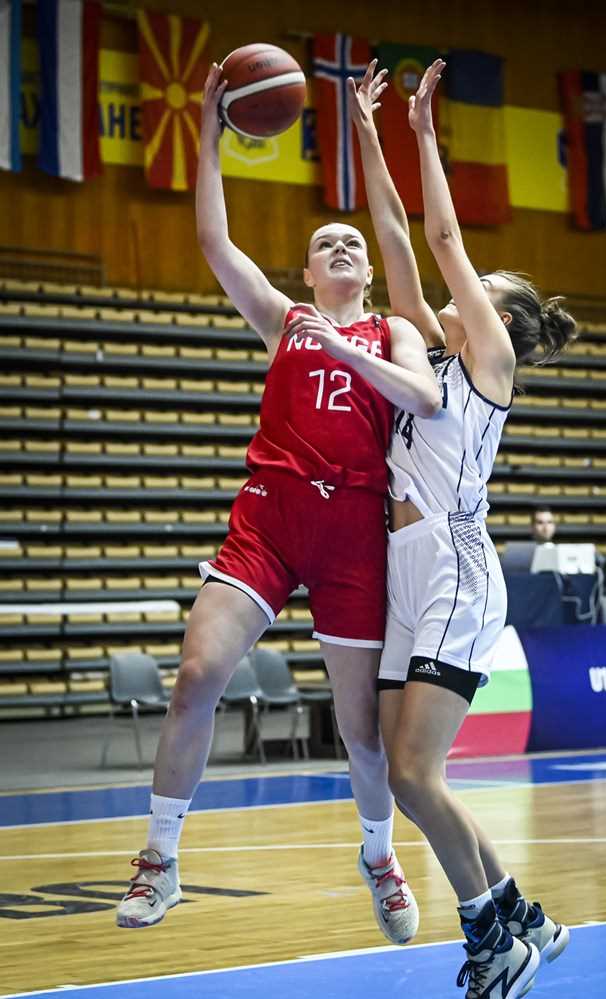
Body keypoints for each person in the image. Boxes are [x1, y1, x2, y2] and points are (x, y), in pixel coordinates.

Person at [115, 62, 443, 943]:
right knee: (194, 680)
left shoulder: (391, 330)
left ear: (368, 272)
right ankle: (160, 859)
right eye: (324, 243)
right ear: (304, 269)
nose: (340, 247)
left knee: (360, 731)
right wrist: (214, 133)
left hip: (353, 532)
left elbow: (423, 398)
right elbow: (217, 243)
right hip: (271, 512)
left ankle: (378, 854)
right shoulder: (282, 318)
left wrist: (341, 346)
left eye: (353, 243)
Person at [348, 59, 576, 998]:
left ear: (501, 319)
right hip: (407, 567)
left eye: (480, 285)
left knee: (410, 769)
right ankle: (519, 914)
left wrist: (425, 131)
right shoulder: (429, 356)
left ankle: (492, 940)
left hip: (450, 566)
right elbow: (399, 235)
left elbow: (439, 230)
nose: (458, 283)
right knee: (409, 778)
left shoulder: (486, 358)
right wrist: (366, 127)